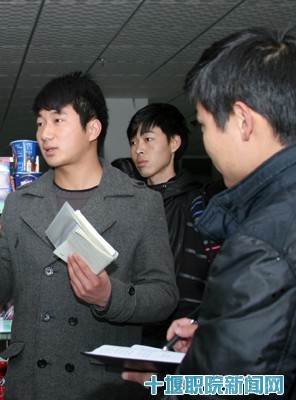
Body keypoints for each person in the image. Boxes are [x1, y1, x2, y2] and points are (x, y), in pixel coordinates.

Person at [0, 71, 179, 399]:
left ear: (93, 129)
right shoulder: (21, 203)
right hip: (31, 384)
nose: (44, 133)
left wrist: (109, 296)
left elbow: (164, 297)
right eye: (40, 123)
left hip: (102, 385)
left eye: (57, 120)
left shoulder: (140, 203)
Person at [124, 27, 296, 397]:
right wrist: (215, 332)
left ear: (242, 121)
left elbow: (244, 387)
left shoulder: (260, 242)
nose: (207, 142)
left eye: (204, 125)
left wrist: (161, 384)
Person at [126, 103, 209, 347]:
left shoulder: (197, 203)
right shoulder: (131, 203)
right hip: (132, 329)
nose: (139, 149)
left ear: (174, 143)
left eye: (148, 139)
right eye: (133, 142)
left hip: (179, 336)